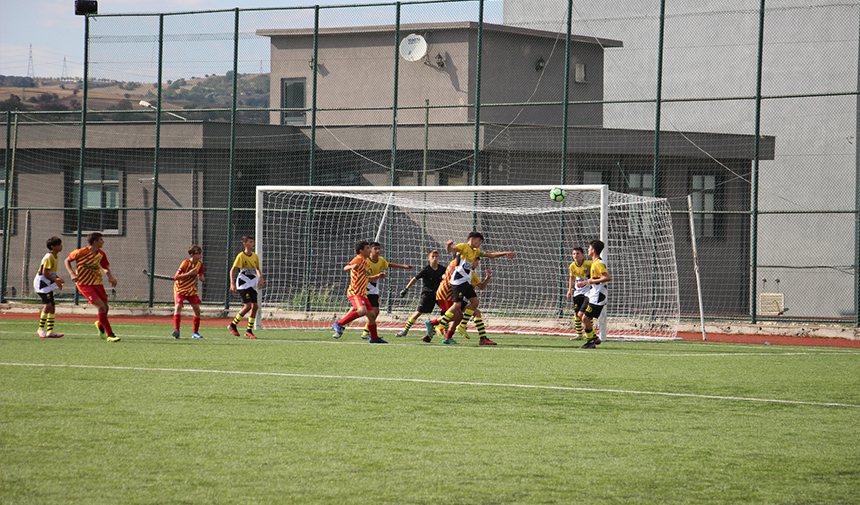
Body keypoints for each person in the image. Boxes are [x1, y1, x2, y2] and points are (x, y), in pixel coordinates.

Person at [439, 232, 514, 346]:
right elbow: (450, 250)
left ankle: (463, 325)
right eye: (479, 241)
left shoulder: (476, 252)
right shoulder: (463, 247)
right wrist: (448, 245)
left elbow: (491, 255)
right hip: (458, 281)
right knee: (457, 305)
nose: (480, 244)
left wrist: (505, 253)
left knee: (475, 302)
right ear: (472, 239)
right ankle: (441, 325)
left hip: (465, 282)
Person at [64, 232, 120, 342]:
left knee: (106, 308)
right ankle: (110, 335)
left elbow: (105, 267)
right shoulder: (80, 252)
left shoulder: (101, 254)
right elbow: (67, 260)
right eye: (101, 239)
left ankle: (99, 324)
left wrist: (110, 277)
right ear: (95, 242)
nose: (103, 241)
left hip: (98, 283)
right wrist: (72, 273)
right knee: (101, 307)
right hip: (84, 284)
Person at [425, 255, 492, 344]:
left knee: (476, 312)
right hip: (446, 294)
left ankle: (483, 338)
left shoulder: (470, 274)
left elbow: (481, 286)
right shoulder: (457, 264)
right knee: (456, 317)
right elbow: (450, 271)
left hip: (455, 296)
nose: (477, 263)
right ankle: (432, 324)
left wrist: (487, 279)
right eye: (475, 260)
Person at [331, 240, 388, 343]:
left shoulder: (366, 264)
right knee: (362, 311)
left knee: (372, 317)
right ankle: (339, 324)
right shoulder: (359, 258)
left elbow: (367, 279)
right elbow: (345, 268)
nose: (370, 250)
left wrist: (378, 276)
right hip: (355, 292)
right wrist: (351, 266)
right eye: (367, 248)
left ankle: (374, 338)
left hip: (363, 294)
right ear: (361, 251)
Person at [359, 241, 413, 339]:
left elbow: (388, 265)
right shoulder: (365, 261)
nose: (378, 250)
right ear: (370, 250)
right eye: (375, 249)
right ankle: (342, 325)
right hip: (364, 287)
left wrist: (404, 267)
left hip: (374, 289)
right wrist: (376, 276)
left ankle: (365, 332)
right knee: (359, 310)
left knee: (375, 311)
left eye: (379, 249)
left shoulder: (381, 260)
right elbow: (363, 275)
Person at [395, 249, 444, 338]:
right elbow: (415, 279)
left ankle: (437, 330)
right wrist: (406, 289)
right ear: (428, 258)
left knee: (446, 313)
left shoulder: (442, 269)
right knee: (418, 312)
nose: (435, 258)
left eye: (436, 257)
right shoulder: (426, 269)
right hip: (427, 294)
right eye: (432, 256)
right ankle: (405, 330)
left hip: (439, 295)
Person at [576, 239, 611, 349]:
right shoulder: (594, 263)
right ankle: (594, 338)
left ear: (594, 250)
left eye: (589, 248)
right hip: (591, 294)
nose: (588, 250)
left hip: (598, 296)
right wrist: (584, 282)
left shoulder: (598, 264)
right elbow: (593, 279)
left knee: (585, 318)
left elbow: (607, 277)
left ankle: (591, 342)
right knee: (580, 315)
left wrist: (591, 281)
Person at [228, 236, 264, 339]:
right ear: (245, 244)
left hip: (252, 284)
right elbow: (232, 270)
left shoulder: (255, 256)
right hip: (243, 284)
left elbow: (257, 269)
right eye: (251, 242)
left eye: (253, 241)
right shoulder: (241, 256)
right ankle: (233, 324)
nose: (253, 243)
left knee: (255, 306)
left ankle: (249, 330)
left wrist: (261, 278)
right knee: (248, 306)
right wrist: (232, 283)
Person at [34, 236, 65, 338]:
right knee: (47, 305)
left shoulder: (56, 256)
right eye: (59, 245)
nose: (61, 246)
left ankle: (50, 331)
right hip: (42, 284)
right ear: (53, 247)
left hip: (48, 284)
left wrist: (58, 278)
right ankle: (40, 329)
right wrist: (56, 281)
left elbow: (51, 272)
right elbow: (45, 272)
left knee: (52, 307)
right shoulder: (48, 257)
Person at [172, 245, 205, 339]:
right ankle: (177, 331)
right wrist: (189, 273)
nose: (200, 255)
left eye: (200, 252)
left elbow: (201, 275)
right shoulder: (185, 263)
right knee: (178, 307)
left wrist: (202, 278)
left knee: (197, 310)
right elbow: (176, 277)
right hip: (180, 288)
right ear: (192, 255)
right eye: (198, 253)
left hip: (191, 289)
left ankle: (195, 333)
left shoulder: (199, 264)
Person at [566, 246, 593, 341]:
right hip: (578, 292)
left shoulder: (589, 264)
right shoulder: (572, 265)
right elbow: (572, 277)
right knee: (576, 314)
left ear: (582, 255)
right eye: (574, 254)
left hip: (588, 292)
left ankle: (590, 333)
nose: (575, 255)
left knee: (586, 314)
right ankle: (579, 335)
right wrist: (569, 289)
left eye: (577, 253)